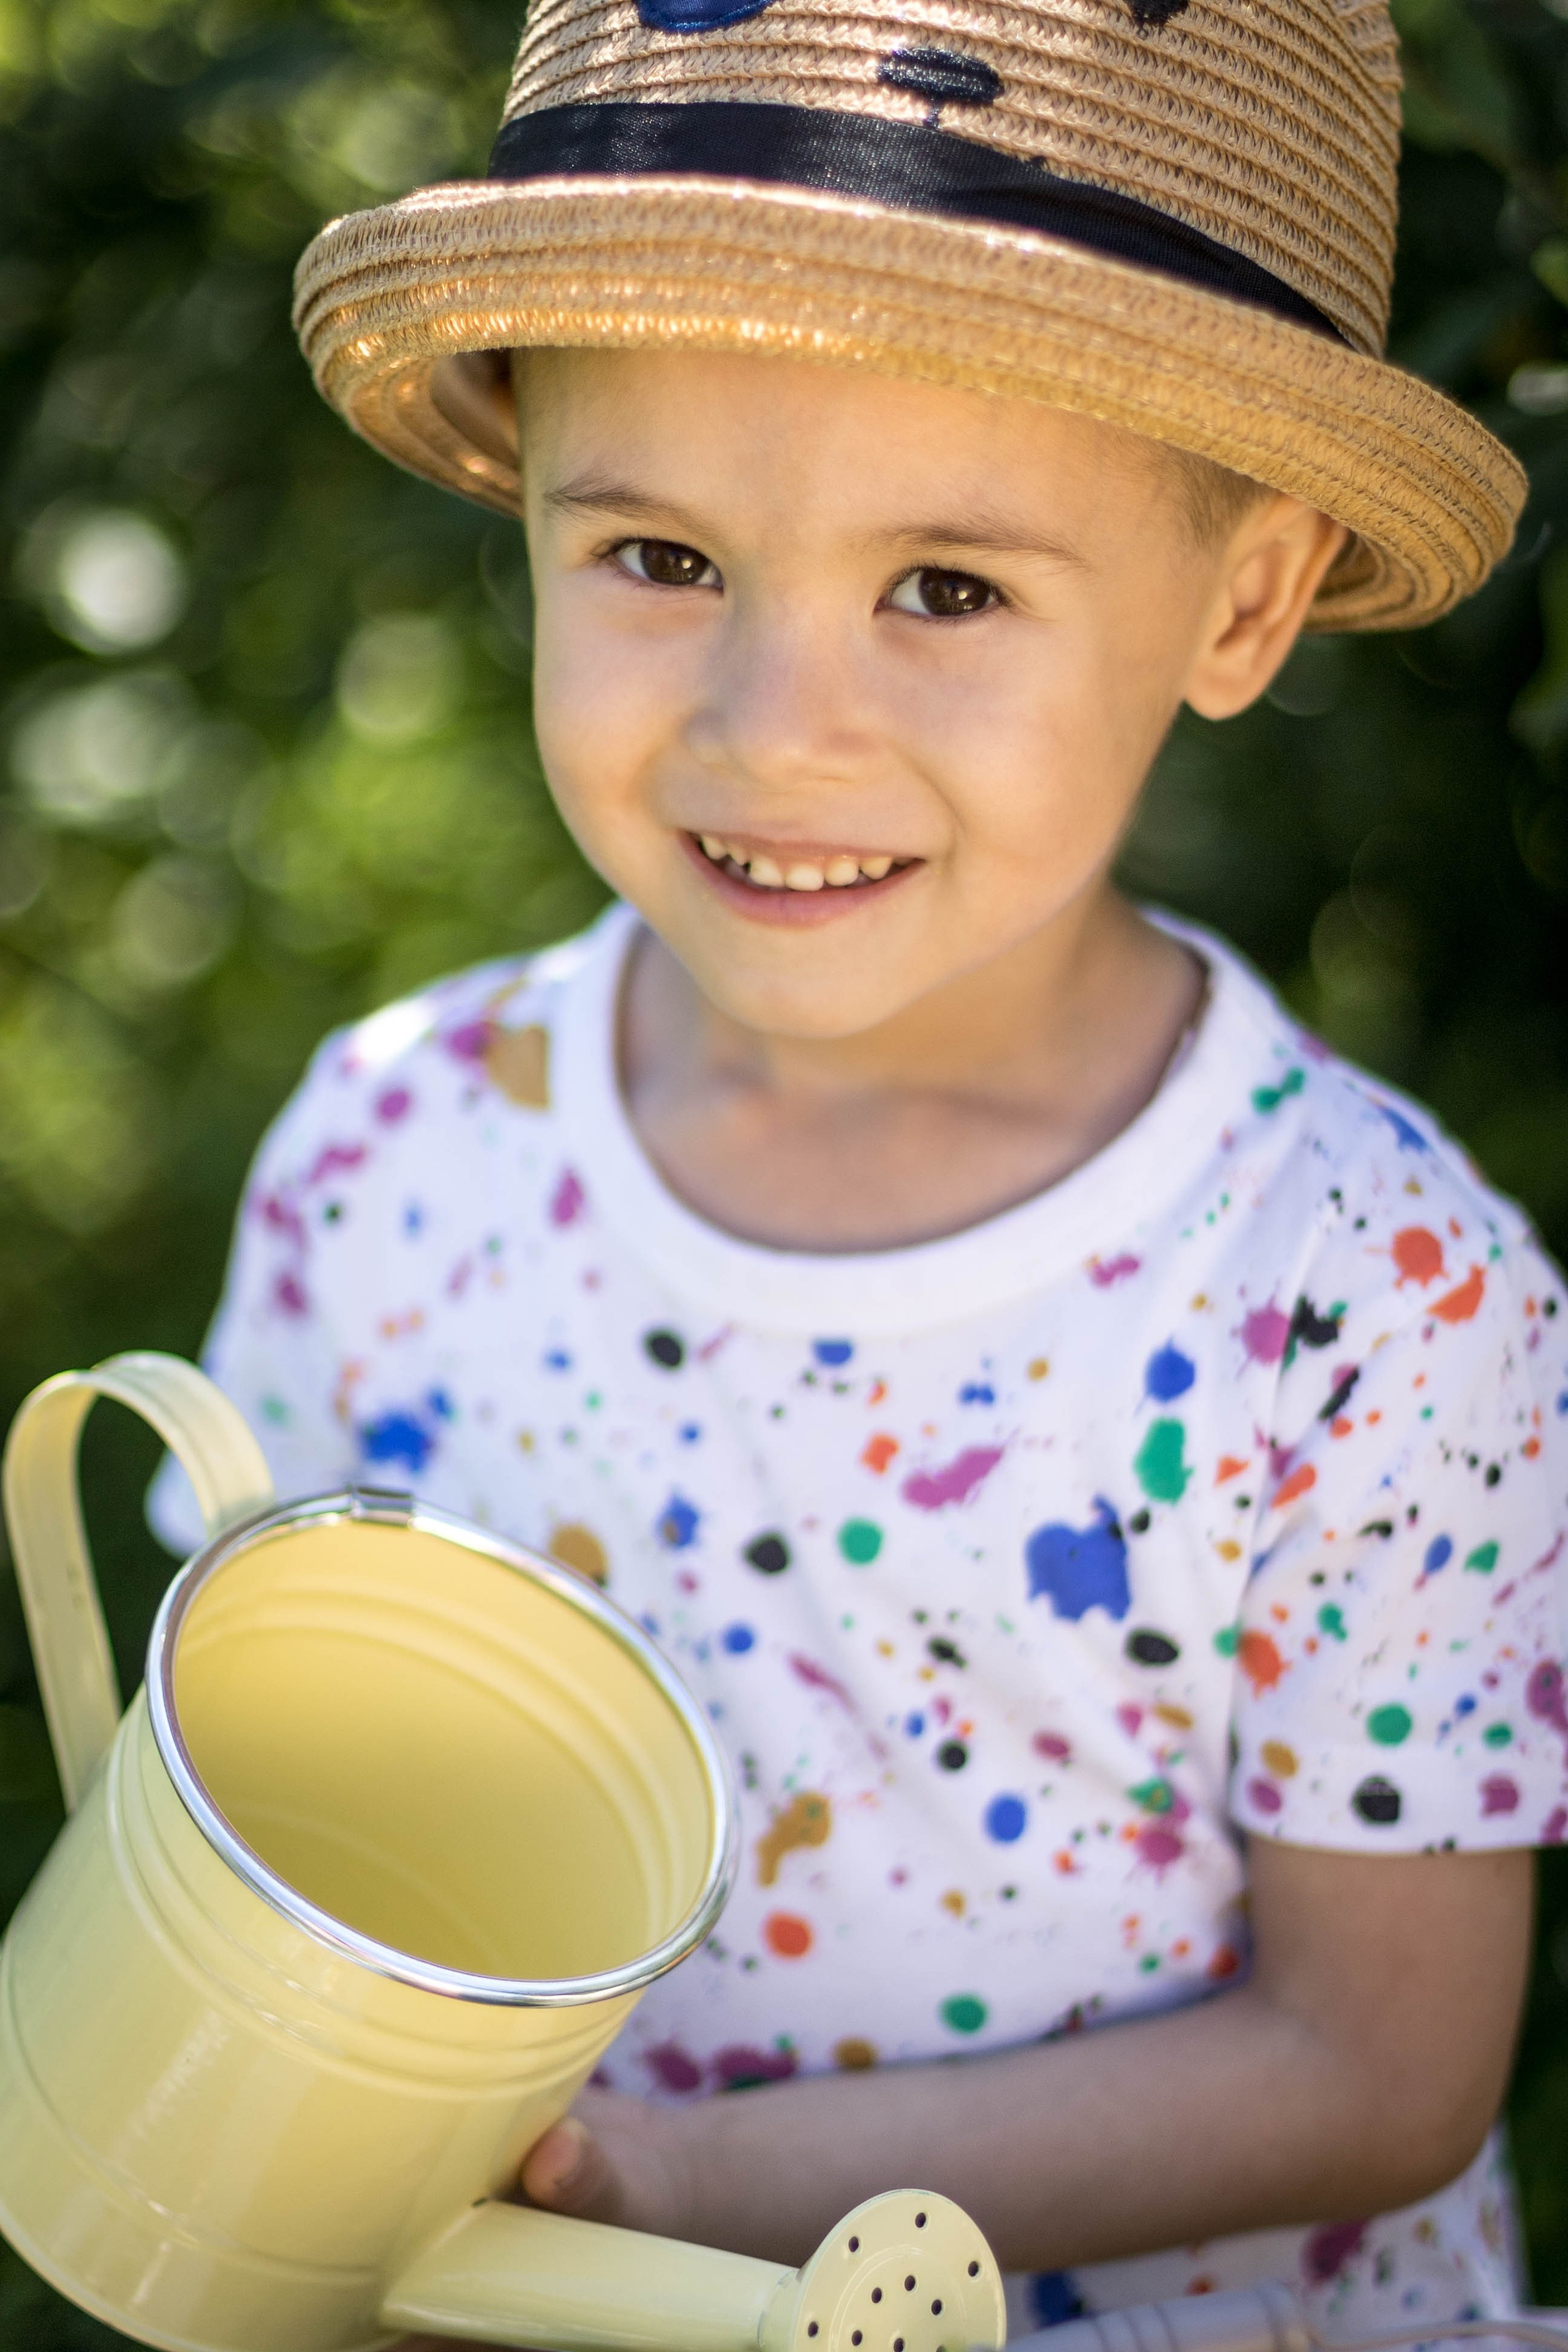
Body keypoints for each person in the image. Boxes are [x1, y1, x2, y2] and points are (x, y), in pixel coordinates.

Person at [153, 0, 1566, 2335]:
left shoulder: (1373, 1299)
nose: (773, 725)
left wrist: (698, 2188)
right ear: (529, 509)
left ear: (1243, 601)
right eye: (662, 556)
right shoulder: (394, 1155)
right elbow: (266, 1784)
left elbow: (1381, 2058)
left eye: (947, 590)